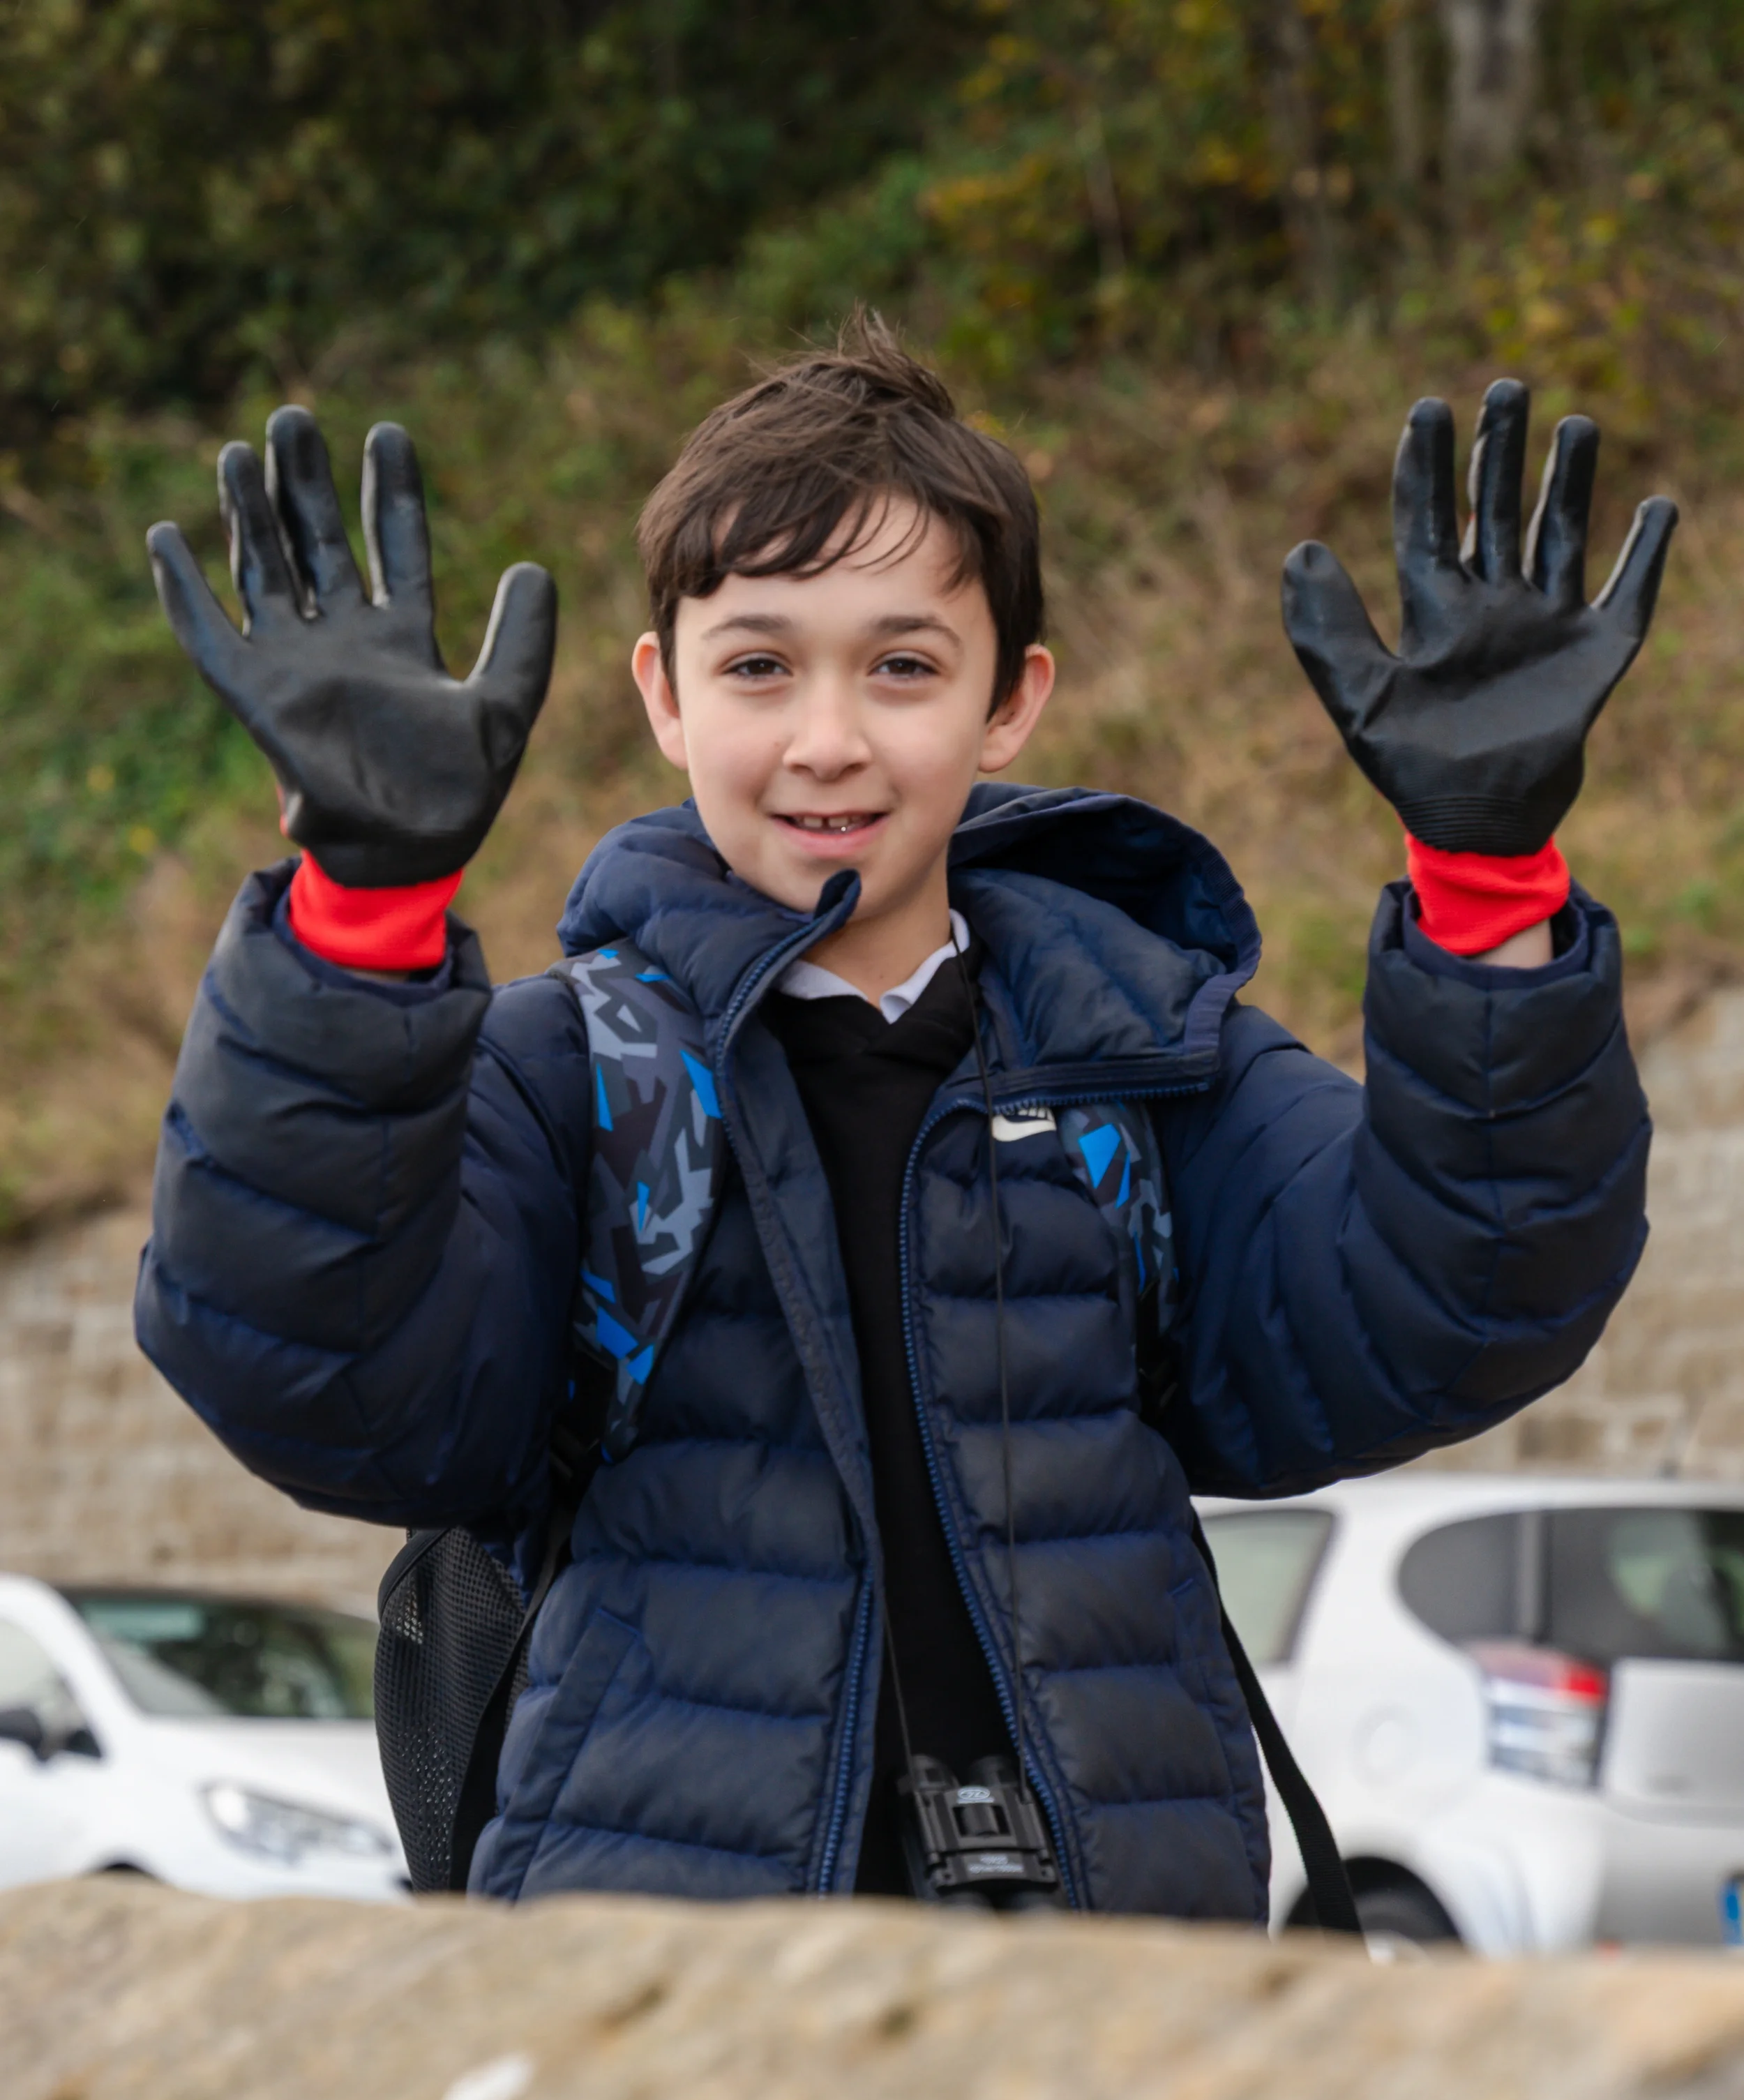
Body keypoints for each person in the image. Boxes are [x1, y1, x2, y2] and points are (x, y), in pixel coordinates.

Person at [135, 315, 1672, 1914]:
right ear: (661, 694)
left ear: (1009, 699)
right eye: (757, 664)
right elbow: (315, 1374)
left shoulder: (1148, 1064)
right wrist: (359, 919)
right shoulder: (564, 1074)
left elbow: (1459, 1301)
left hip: (1108, 2000)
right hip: (675, 2011)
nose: (826, 738)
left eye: (901, 665)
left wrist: (1488, 888)